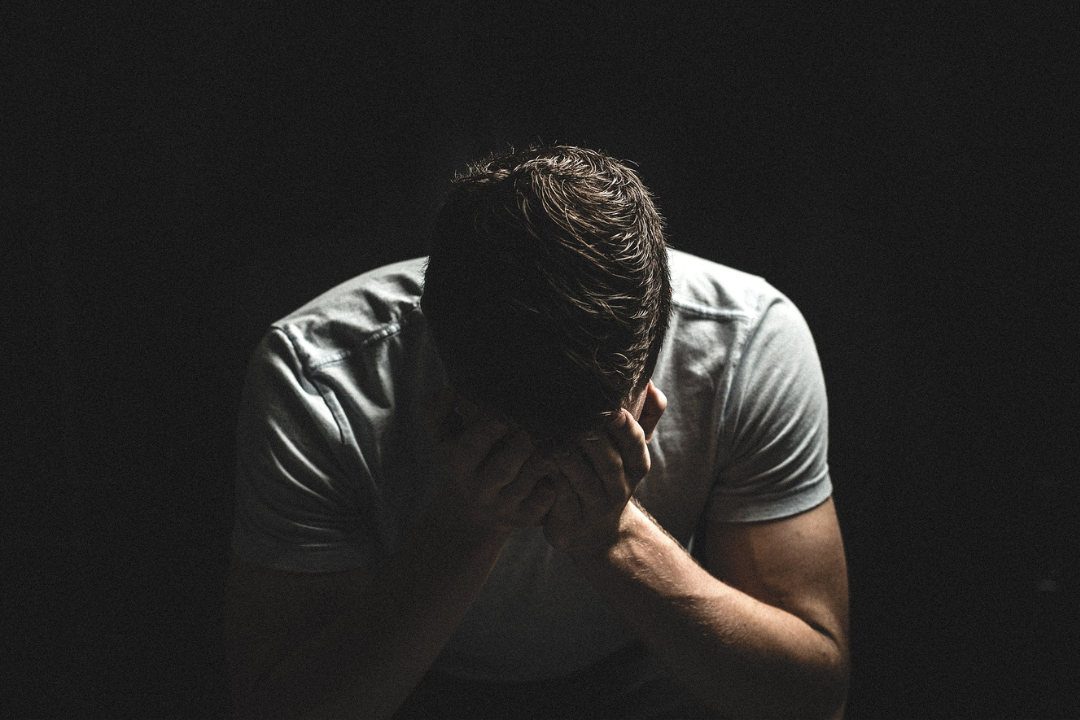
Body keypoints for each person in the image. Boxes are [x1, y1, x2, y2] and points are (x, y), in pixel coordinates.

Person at [225, 145, 849, 719]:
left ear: (657, 347)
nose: (547, 470)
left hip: (658, 677)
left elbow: (812, 701)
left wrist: (615, 536)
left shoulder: (750, 342)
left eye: (589, 431)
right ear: (437, 347)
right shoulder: (315, 380)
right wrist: (468, 524)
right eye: (513, 432)